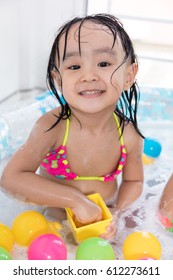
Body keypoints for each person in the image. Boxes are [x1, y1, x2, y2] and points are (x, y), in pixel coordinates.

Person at [0, 13, 144, 239]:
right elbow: (11, 179)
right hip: (50, 222)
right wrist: (74, 200)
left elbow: (134, 181)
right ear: (59, 80)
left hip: (103, 226)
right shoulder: (52, 128)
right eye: (74, 66)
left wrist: (118, 211)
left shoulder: (129, 135)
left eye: (104, 63)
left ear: (129, 75)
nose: (88, 75)